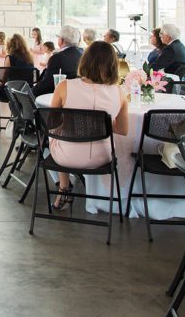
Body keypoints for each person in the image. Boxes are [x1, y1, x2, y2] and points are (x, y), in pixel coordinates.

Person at [47, 41, 129, 209]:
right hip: (102, 157)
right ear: (113, 65)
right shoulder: (119, 92)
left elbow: (52, 122)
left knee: (53, 136)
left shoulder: (64, 86)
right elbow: (123, 129)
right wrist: (102, 122)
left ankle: (64, 187)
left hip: (66, 156)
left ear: (84, 61)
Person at [33, 26, 84, 97]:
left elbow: (47, 84)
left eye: (58, 37)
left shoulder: (57, 58)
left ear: (61, 40)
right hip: (77, 96)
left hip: (55, 98)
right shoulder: (83, 54)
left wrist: (29, 92)